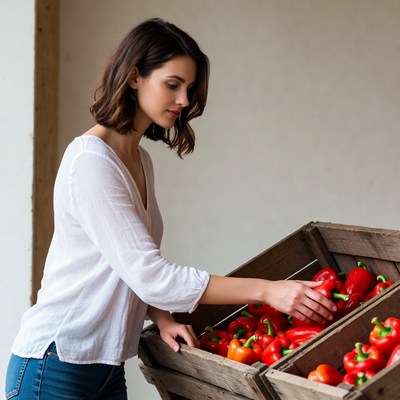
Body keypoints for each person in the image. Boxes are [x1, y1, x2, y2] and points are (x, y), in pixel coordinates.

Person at [5, 18, 336, 399]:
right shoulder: (91, 161)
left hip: (106, 369)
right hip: (54, 365)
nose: (183, 100)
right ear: (133, 77)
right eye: (172, 85)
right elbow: (151, 274)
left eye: (189, 88)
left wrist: (161, 316)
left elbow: (128, 264)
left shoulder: (138, 159)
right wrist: (268, 290)